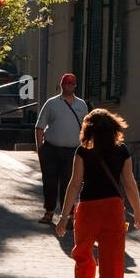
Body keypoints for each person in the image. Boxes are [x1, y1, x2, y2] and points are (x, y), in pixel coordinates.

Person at [56, 108, 140, 278]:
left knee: (83, 256)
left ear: (88, 129)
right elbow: (129, 182)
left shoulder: (83, 151)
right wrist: (138, 211)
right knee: (111, 261)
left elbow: (74, 184)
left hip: (87, 209)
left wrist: (64, 216)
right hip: (114, 208)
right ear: (114, 128)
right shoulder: (122, 150)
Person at [34, 73, 88, 225]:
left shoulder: (82, 105)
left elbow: (86, 128)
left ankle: (69, 216)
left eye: (71, 84)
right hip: (51, 149)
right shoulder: (51, 103)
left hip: (73, 151)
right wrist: (40, 149)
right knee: (49, 182)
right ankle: (49, 212)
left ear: (75, 85)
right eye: (66, 83)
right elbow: (39, 127)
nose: (69, 86)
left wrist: (87, 149)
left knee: (70, 184)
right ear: (61, 85)